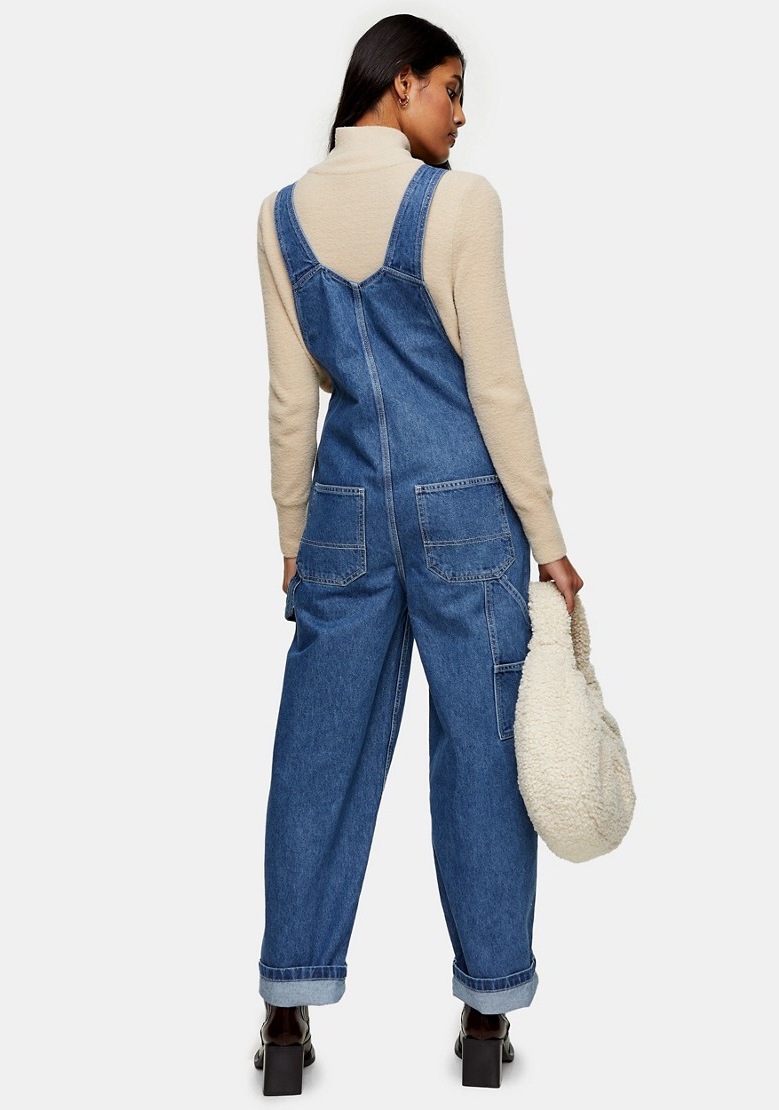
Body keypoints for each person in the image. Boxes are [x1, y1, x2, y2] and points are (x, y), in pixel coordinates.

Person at [253, 13, 584, 1094]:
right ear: (398, 86)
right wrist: (548, 540)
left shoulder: (281, 216)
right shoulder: (460, 203)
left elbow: (290, 400)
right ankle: (486, 1014)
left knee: (318, 754)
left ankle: (287, 1015)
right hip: (464, 511)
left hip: (343, 511)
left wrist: (294, 536)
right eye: (449, 87)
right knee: (482, 752)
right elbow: (497, 384)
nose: (460, 113)